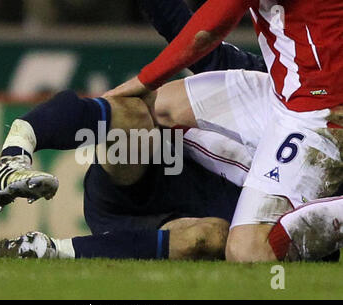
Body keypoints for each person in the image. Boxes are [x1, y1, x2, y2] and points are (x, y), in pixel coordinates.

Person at [0, 0, 271, 261]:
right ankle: (14, 155)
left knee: (209, 237)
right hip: (139, 169)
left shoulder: (305, 176)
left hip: (173, 221)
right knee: (135, 111)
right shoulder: (265, 81)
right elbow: (186, 29)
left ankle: (44, 251)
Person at [105, 0, 343, 262]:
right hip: (282, 92)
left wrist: (144, 79)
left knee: (248, 252)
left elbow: (207, 31)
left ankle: (290, 194)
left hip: (321, 113)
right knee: (150, 109)